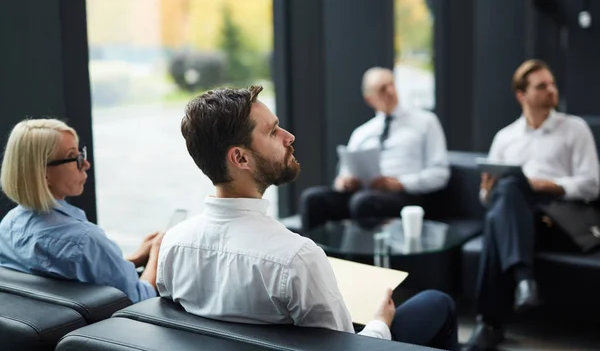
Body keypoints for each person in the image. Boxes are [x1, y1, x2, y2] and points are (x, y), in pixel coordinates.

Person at [157, 86, 459, 350]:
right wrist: (381, 322)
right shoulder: (296, 258)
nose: (289, 137)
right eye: (272, 132)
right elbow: (344, 348)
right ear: (240, 158)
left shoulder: (173, 245)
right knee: (437, 303)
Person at [465, 59, 600, 350]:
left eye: (552, 83)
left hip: (559, 218)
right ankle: (523, 283)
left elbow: (592, 184)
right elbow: (488, 199)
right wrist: (488, 191)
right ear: (521, 95)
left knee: (506, 200)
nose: (551, 90)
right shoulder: (506, 137)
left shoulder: (575, 129)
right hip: (519, 218)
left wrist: (541, 184)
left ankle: (489, 323)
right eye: (542, 86)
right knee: (506, 195)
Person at [0, 118, 164, 303]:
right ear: (44, 174)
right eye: (73, 157)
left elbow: (70, 273)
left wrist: (135, 257)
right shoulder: (84, 241)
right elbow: (139, 298)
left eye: (81, 153)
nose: (85, 164)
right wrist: (158, 252)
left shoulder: (8, 226)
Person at [299, 67, 450, 230]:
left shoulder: (426, 122)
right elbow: (344, 172)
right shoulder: (362, 132)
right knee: (312, 199)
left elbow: (440, 173)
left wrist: (400, 184)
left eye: (391, 84)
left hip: (405, 195)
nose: (390, 91)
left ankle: (362, 256)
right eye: (382, 89)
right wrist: (344, 182)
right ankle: (315, 255)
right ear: (370, 99)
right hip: (364, 193)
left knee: (364, 202)